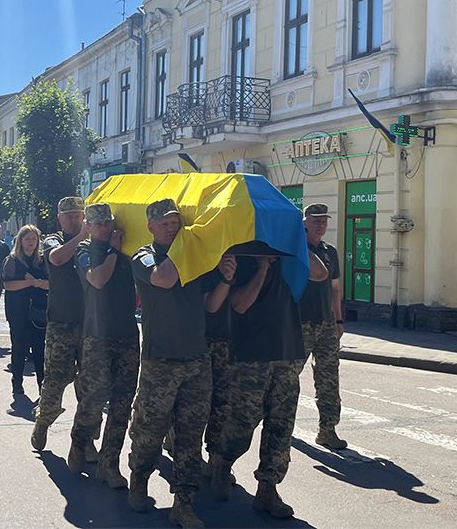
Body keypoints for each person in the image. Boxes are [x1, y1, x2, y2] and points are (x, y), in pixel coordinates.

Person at [126, 198, 234, 525]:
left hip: (196, 360)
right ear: (150, 226)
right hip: (161, 361)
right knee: (150, 428)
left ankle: (183, 502)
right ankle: (139, 479)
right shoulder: (144, 257)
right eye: (165, 222)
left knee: (190, 434)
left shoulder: (194, 259)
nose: (171, 226)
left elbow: (211, 306)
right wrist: (187, 245)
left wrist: (226, 279)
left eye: (175, 221)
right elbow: (164, 279)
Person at [213, 253, 309, 520]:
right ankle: (222, 461)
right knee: (243, 421)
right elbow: (240, 305)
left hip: (287, 352)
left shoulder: (295, 258)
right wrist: (263, 269)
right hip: (251, 354)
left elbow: (319, 274)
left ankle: (268, 488)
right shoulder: (244, 259)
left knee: (281, 425)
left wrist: (299, 245)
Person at [68, 203, 139, 486]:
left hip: (127, 337)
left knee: (122, 405)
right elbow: (97, 280)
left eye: (108, 223)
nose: (106, 228)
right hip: (97, 337)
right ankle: (79, 440)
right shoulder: (86, 251)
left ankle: (110, 465)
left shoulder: (127, 251)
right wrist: (113, 251)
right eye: (100, 225)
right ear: (88, 227)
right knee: (93, 401)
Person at [31, 198, 90, 453]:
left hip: (89, 325)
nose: (75, 220)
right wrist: (81, 238)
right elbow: (56, 259)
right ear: (60, 218)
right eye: (70, 216)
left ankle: (85, 439)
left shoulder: (93, 241)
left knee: (90, 386)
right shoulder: (52, 240)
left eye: (78, 216)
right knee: (55, 380)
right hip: (61, 324)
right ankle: (43, 421)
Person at [296, 204, 347, 450]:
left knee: (328, 377)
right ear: (305, 222)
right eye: (316, 221)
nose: (321, 225)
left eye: (324, 221)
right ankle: (278, 421)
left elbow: (335, 287)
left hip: (325, 323)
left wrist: (338, 320)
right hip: (299, 321)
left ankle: (327, 430)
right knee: (287, 377)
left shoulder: (330, 252)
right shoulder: (295, 248)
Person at [2, 224, 48, 397]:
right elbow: (8, 284)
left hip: (38, 310)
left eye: (34, 239)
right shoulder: (12, 260)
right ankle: (17, 383)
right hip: (17, 309)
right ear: (20, 240)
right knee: (19, 347)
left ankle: (42, 385)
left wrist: (36, 282)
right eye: (27, 238)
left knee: (39, 349)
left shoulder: (42, 260)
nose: (30, 242)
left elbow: (50, 284)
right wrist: (31, 282)